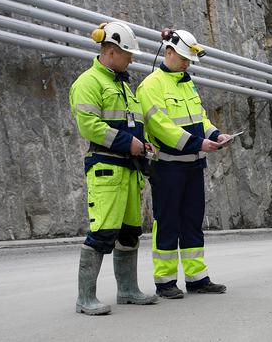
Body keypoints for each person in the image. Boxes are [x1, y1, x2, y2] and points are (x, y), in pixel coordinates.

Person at [69, 21, 158, 315]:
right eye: (127, 54)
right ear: (110, 51)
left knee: (130, 232)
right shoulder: (88, 82)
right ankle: (85, 298)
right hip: (106, 168)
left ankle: (128, 291)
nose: (131, 59)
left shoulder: (122, 84)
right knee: (103, 232)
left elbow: (134, 124)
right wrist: (126, 142)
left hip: (129, 171)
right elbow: (89, 125)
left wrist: (144, 145)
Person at [136, 28, 229, 299]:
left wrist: (214, 134)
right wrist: (199, 143)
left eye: (189, 60)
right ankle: (165, 282)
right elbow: (162, 127)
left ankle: (197, 278)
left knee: (191, 221)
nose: (187, 63)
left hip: (192, 165)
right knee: (167, 222)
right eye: (184, 58)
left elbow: (200, 117)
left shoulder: (186, 82)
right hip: (168, 167)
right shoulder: (151, 86)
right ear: (168, 52)